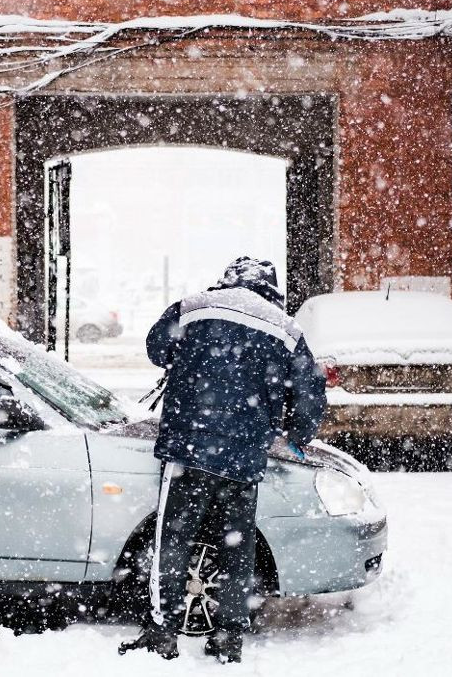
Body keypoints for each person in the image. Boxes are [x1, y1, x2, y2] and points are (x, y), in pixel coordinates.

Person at [118, 256, 327, 664]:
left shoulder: (196, 307)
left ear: (228, 279)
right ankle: (229, 637)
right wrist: (299, 434)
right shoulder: (286, 329)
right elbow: (309, 393)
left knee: (173, 538)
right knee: (237, 544)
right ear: (272, 289)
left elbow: (156, 349)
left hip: (189, 449)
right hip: (245, 455)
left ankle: (163, 633)